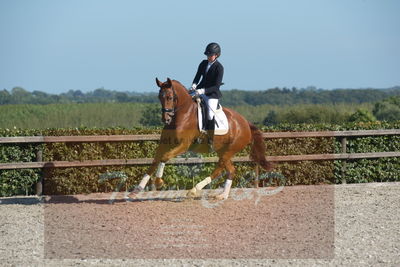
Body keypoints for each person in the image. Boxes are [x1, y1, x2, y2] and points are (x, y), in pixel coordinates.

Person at [190, 42, 224, 149]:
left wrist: (202, 91)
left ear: (216, 55)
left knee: (210, 114)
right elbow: (197, 76)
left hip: (212, 95)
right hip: (200, 90)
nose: (208, 57)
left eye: (211, 55)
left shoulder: (219, 68)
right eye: (207, 55)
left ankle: (210, 140)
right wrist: (194, 85)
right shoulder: (203, 63)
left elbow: (216, 86)